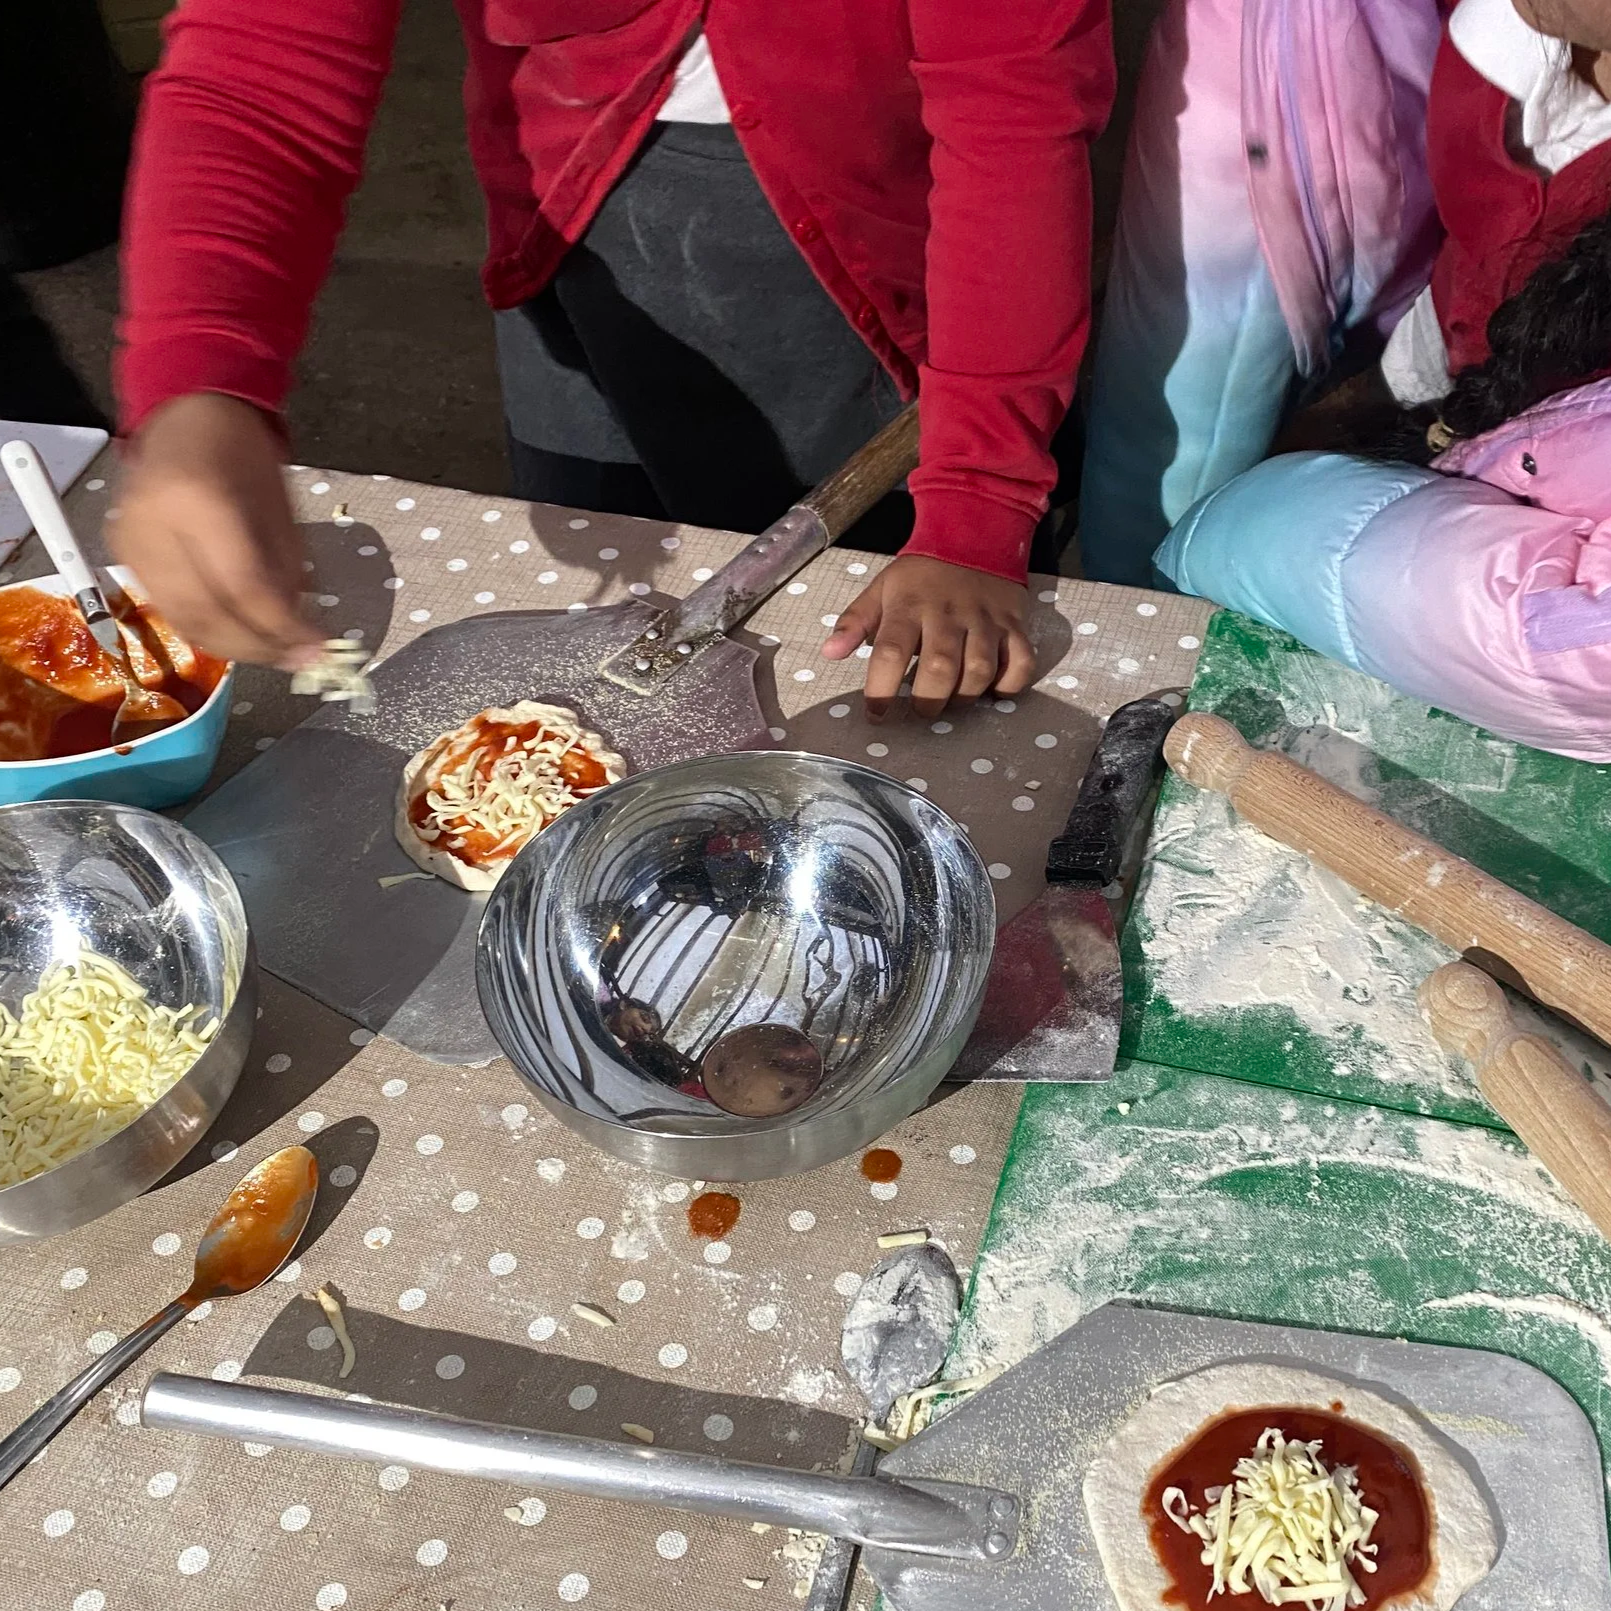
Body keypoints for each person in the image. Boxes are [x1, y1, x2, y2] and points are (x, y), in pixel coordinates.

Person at [109, 3, 1114, 720]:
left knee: (840, 664)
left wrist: (976, 498)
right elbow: (263, 70)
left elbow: (1011, 118)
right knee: (603, 652)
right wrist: (202, 381)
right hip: (575, 239)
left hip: (893, 276)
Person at [1085, 0, 1611, 760]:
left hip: (1464, 568)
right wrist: (1398, 386)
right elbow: (1475, 256)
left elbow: (1550, 646)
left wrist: (1215, 530)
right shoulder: (1517, 25)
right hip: (1442, 402)